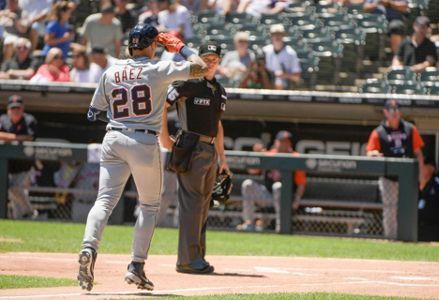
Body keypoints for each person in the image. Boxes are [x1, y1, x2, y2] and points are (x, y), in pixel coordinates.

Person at [77, 23, 208, 292]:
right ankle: (136, 266)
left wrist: (120, 117)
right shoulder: (157, 69)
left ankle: (88, 247)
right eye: (155, 45)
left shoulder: (112, 70)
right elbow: (201, 66)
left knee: (104, 200)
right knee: (149, 206)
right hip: (144, 140)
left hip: (113, 137)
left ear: (129, 46)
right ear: (150, 46)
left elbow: (93, 113)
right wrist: (179, 46)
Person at [160, 40, 229, 275]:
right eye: (206, 59)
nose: (210, 63)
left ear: (219, 62)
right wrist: (164, 139)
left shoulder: (219, 90)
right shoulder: (188, 83)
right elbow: (162, 104)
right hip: (191, 146)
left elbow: (218, 125)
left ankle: (197, 256)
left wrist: (223, 159)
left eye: (214, 59)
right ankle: (187, 261)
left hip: (209, 151)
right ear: (197, 59)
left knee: (202, 206)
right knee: (192, 205)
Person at [366, 99, 425, 240]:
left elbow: (418, 153)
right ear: (385, 112)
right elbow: (369, 152)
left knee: (408, 209)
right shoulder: (379, 132)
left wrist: (421, 176)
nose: (395, 113)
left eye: (397, 109)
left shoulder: (410, 129)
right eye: (391, 110)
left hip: (408, 178)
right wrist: (374, 154)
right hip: (388, 177)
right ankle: (391, 239)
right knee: (390, 209)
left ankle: (408, 238)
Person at [238, 131, 306, 233]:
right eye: (282, 141)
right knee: (248, 184)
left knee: (278, 186)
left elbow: (301, 184)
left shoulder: (295, 157)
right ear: (276, 142)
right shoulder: (269, 154)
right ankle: (249, 223)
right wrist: (257, 155)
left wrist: (297, 199)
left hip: (286, 199)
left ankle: (281, 226)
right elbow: (252, 171)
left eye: (287, 141)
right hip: (268, 196)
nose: (285, 144)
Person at [0, 95, 38, 219]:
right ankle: (21, 218)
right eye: (13, 108)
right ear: (8, 110)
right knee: (12, 191)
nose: (15, 111)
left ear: (22, 109)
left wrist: (8, 137)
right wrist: (16, 137)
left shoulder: (29, 120)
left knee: (15, 188)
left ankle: (30, 212)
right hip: (8, 165)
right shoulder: (3, 119)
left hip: (25, 166)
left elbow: (30, 137)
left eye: (18, 108)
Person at [418, 157, 439, 241]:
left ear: (431, 168)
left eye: (423, 166)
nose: (421, 168)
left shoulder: (438, 181)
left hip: (434, 226)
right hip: (418, 225)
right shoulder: (416, 182)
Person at [263, 24, 301, 90]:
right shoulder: (266, 51)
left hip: (285, 85)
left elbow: (297, 77)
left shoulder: (290, 53)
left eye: (279, 34)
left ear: (283, 35)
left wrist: (284, 74)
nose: (277, 36)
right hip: (267, 82)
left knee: (279, 82)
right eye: (274, 34)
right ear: (271, 36)